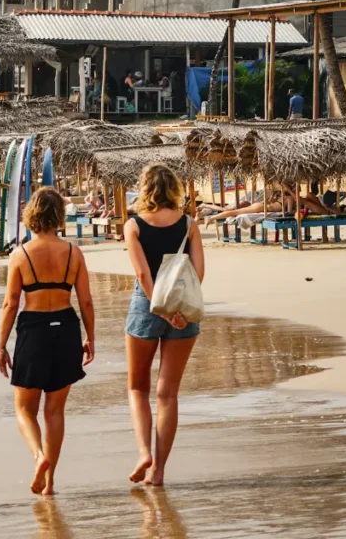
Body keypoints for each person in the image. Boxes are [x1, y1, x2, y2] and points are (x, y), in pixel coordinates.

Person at [0, 187, 94, 496]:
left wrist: (1, 345)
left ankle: (39, 457)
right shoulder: (73, 252)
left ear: (31, 216)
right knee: (54, 411)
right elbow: (87, 301)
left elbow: (11, 303)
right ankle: (50, 482)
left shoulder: (21, 254)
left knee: (24, 409)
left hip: (34, 329)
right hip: (66, 327)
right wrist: (91, 337)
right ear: (59, 216)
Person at [123, 164, 205, 487]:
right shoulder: (189, 224)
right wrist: (176, 309)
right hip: (184, 309)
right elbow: (198, 272)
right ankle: (158, 473)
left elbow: (144, 275)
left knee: (137, 387)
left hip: (147, 305)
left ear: (145, 190)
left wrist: (161, 308)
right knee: (167, 394)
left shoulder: (134, 226)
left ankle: (144, 452)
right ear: (174, 189)